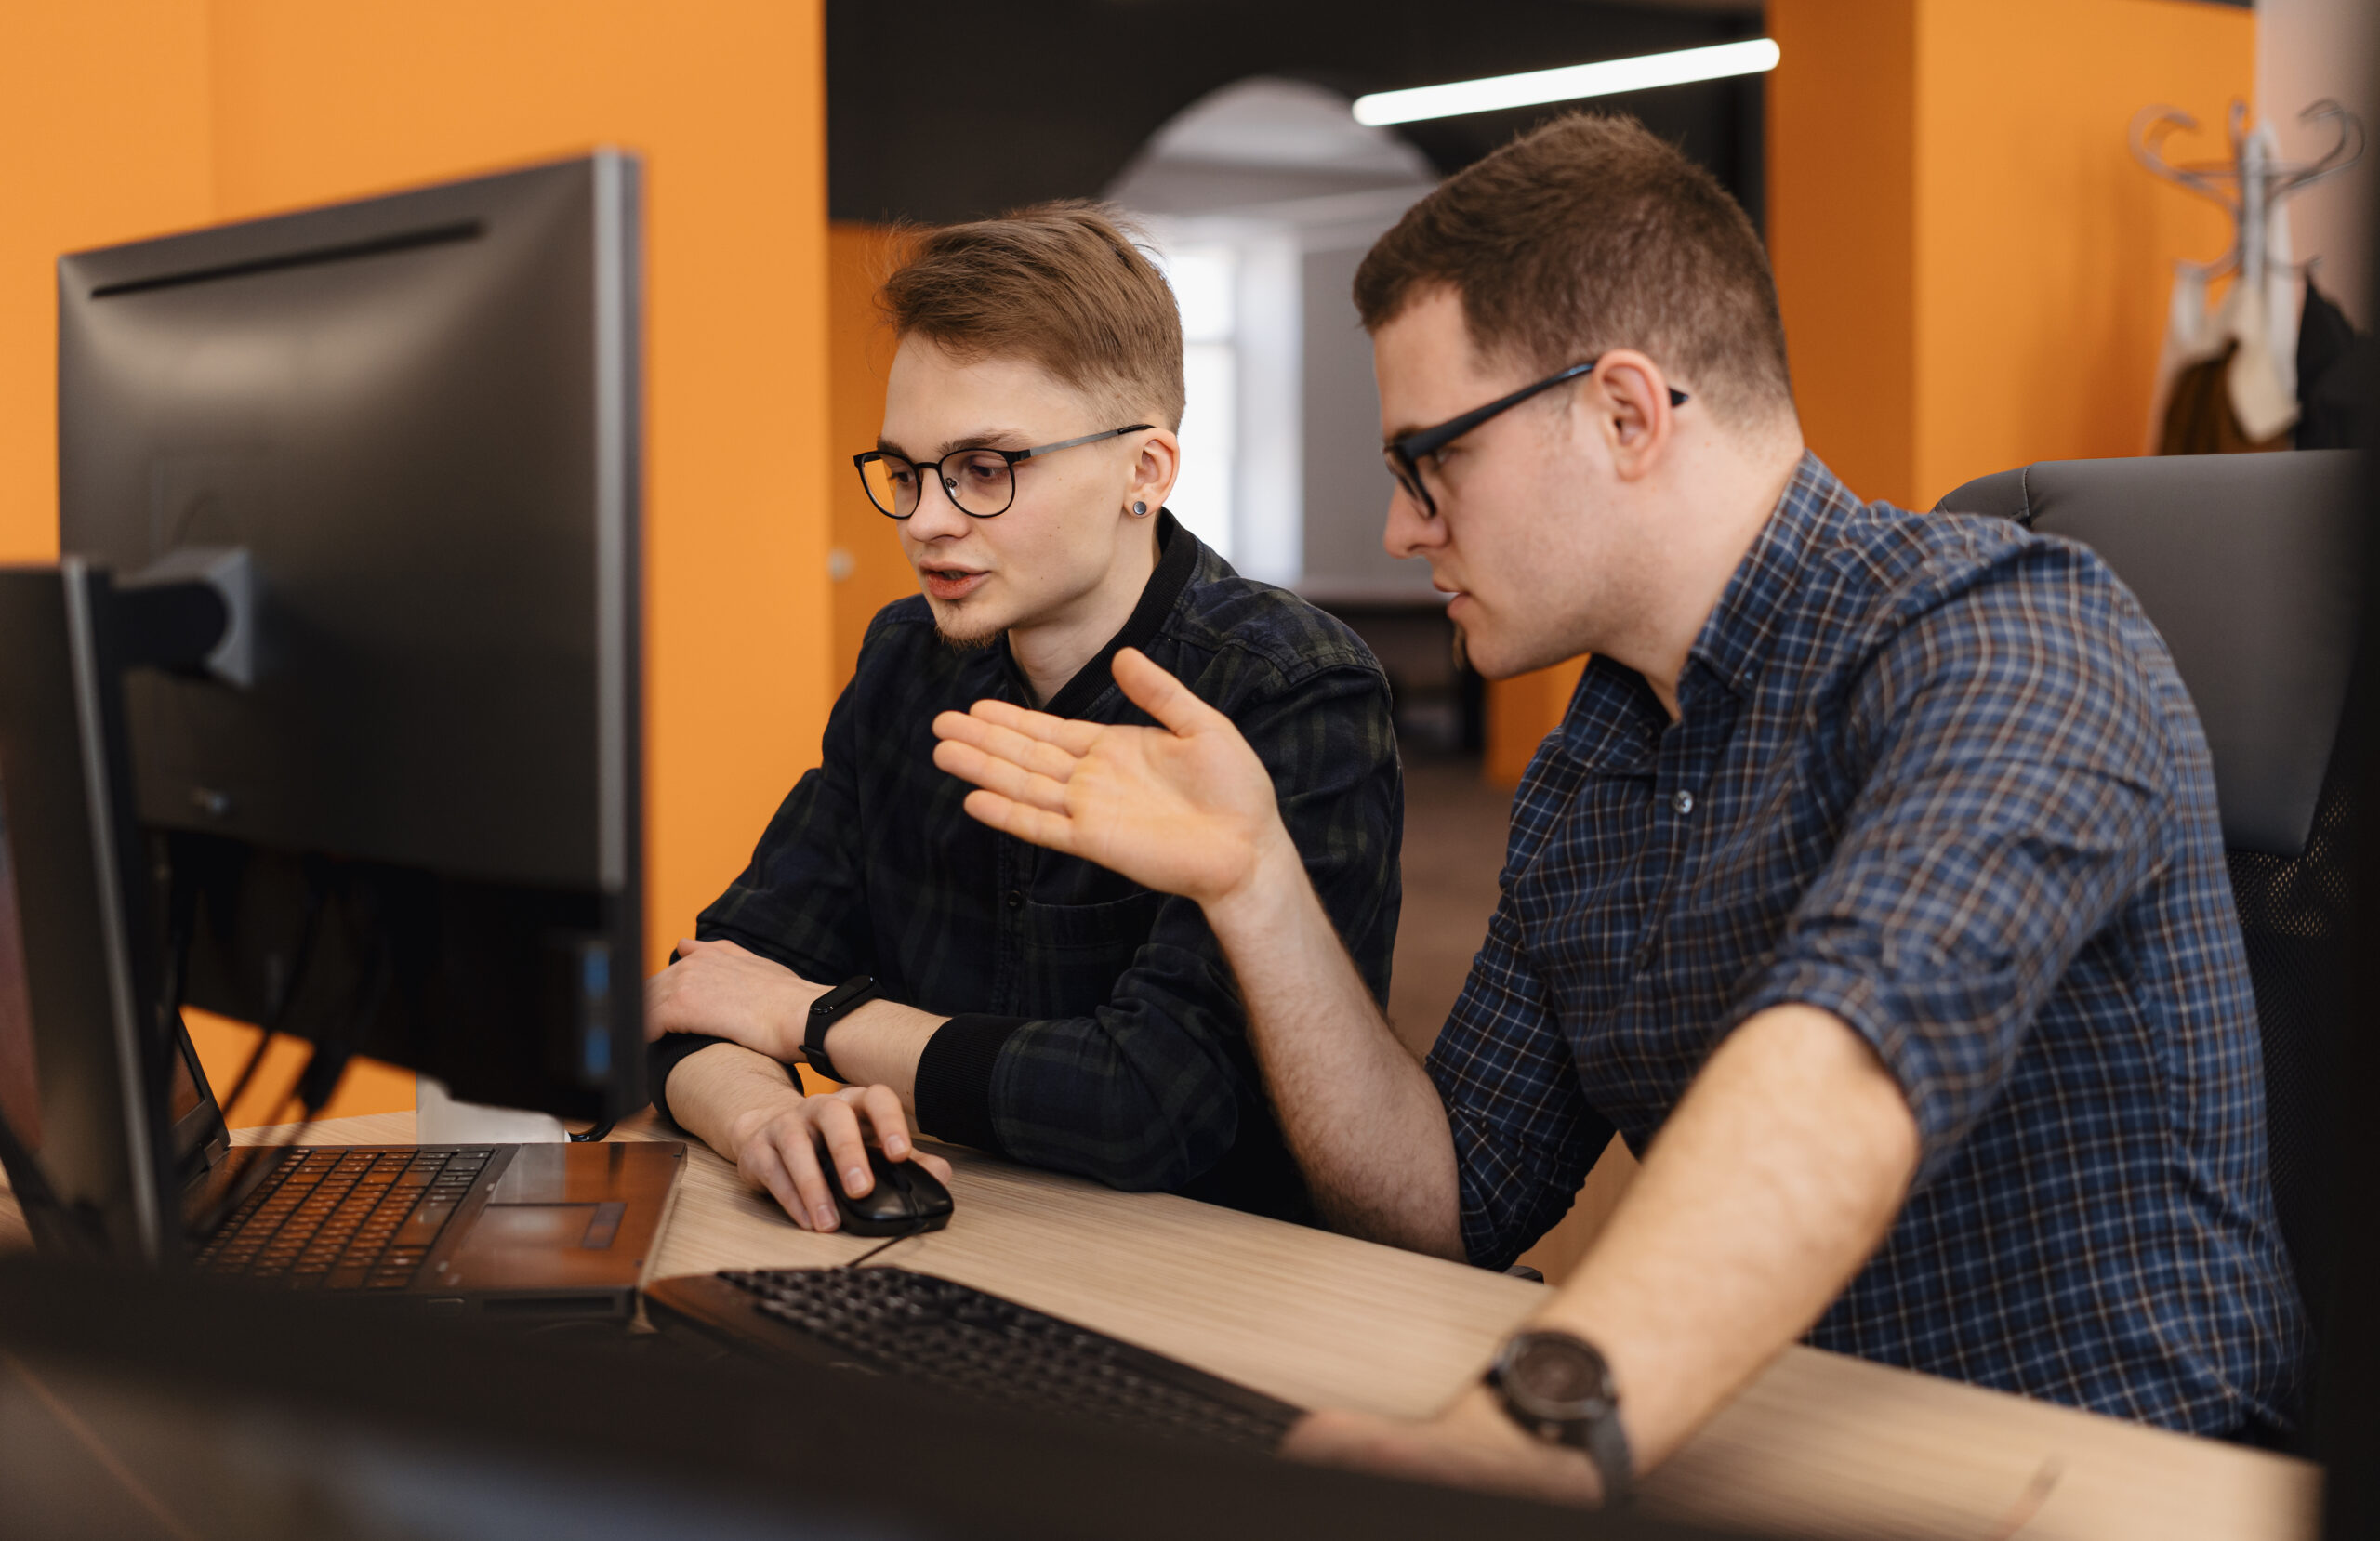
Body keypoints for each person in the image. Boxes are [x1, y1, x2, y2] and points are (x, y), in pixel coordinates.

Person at [932, 117, 2305, 1504]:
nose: (1404, 530)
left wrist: (1514, 1435)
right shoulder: (1599, 764)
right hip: (1771, 1454)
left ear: (1626, 413)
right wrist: (1258, 884)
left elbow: (1850, 1055)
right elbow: (1449, 1202)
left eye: (1429, 462)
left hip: (2109, 1481)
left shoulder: (2008, 633)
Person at [645, 203, 1401, 1235]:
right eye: (907, 472)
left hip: (1203, 1280)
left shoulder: (1288, 688)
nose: (925, 520)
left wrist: (811, 1019)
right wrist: (761, 1117)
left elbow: (1150, 1109)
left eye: (986, 469)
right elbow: (711, 985)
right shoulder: (905, 660)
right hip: (962, 1239)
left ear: (1146, 470)